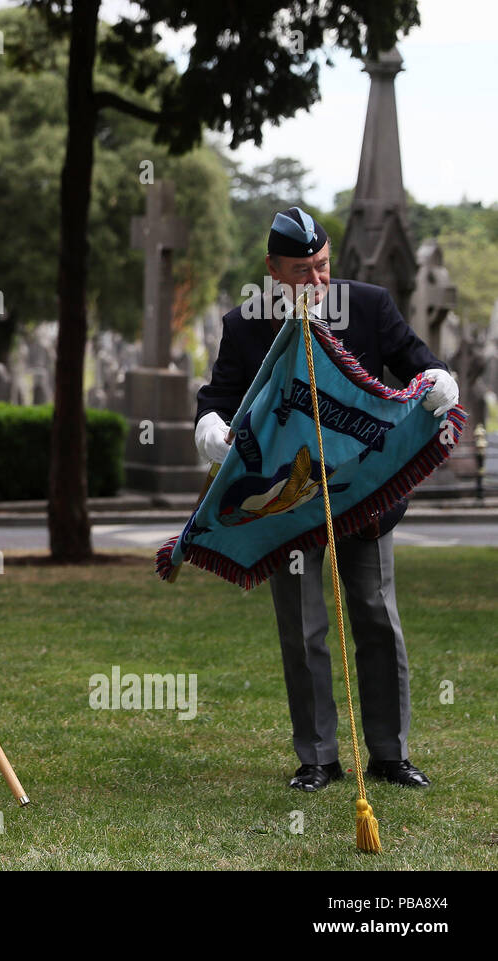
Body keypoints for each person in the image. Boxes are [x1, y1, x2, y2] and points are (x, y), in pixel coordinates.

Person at [195, 206, 459, 792]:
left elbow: (424, 364)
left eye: (321, 267)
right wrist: (213, 429)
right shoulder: (244, 325)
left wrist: (440, 384)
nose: (314, 283)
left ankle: (390, 755)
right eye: (299, 271)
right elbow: (215, 398)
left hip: (364, 501)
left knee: (376, 618)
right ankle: (317, 757)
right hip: (286, 505)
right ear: (271, 269)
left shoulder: (368, 305)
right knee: (304, 628)